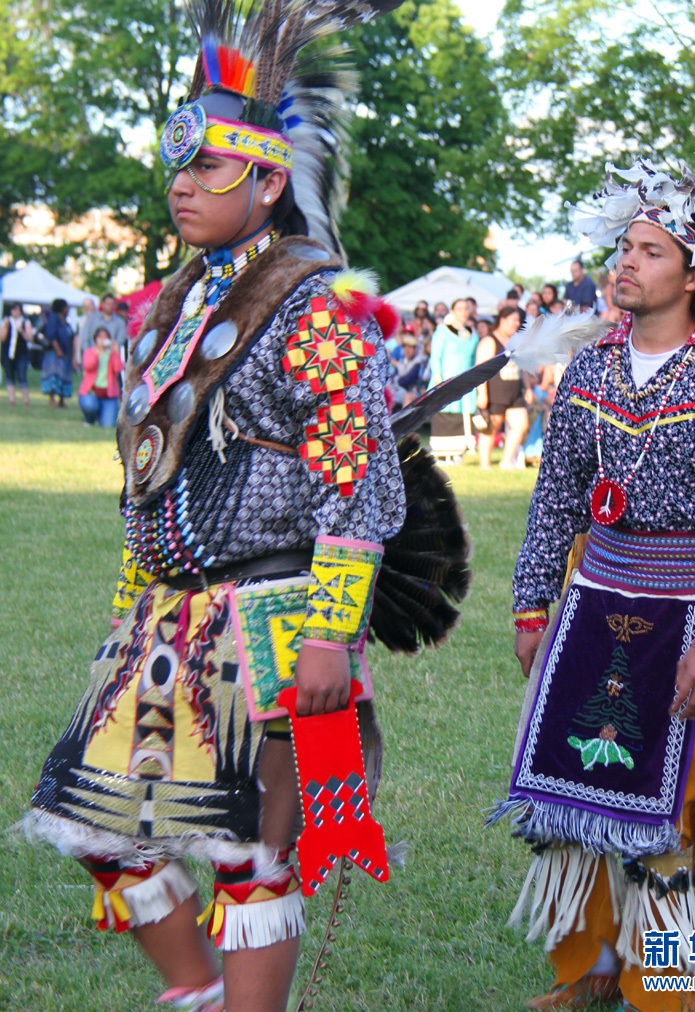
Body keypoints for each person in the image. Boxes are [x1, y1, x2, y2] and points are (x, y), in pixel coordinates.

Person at [27, 2, 410, 1011]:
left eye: (208, 169)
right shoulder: (181, 300)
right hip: (165, 617)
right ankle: (197, 990)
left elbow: (361, 473)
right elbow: (151, 465)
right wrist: (131, 592)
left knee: (250, 856)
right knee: (93, 825)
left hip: (275, 616)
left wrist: (330, 634)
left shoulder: (311, 303)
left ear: (268, 180)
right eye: (177, 168)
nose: (181, 186)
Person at [490, 58, 695, 1012]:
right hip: (592, 604)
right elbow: (555, 502)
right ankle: (587, 978)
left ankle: (675, 994)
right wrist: (533, 601)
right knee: (577, 806)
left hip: (686, 614)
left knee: (674, 823)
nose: (625, 262)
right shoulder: (587, 375)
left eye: (649, 250)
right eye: (624, 246)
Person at [475, 306, 529, 470]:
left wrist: (528, 389)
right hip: (495, 392)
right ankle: (485, 465)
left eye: (518, 320)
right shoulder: (489, 341)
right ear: (502, 319)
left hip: (514, 391)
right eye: (513, 320)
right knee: (490, 430)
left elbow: (524, 367)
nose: (516, 323)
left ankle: (506, 461)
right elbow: (480, 369)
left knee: (521, 425)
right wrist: (482, 394)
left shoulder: (517, 342)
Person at [428, 297, 479, 464]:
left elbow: (473, 359)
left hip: (465, 379)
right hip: (446, 377)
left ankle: (458, 451)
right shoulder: (443, 331)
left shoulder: (472, 333)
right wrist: (437, 375)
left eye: (466, 308)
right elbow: (436, 355)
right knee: (446, 411)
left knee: (462, 413)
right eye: (459, 308)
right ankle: (442, 453)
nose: (464, 312)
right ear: (452, 312)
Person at [78, 325, 125, 426]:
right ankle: (89, 418)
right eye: (100, 337)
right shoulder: (89, 352)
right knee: (89, 405)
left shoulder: (112, 354)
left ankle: (101, 415)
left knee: (108, 425)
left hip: (108, 395)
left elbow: (118, 369)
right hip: (91, 392)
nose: (103, 340)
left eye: (105, 337)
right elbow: (88, 365)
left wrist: (116, 353)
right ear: (96, 339)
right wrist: (97, 353)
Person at [40, 298, 75, 408]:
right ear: (62, 308)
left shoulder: (66, 321)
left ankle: (61, 400)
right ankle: (52, 399)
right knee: (54, 376)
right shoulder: (53, 318)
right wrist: (58, 350)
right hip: (55, 354)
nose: (68, 309)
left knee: (64, 376)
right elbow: (51, 335)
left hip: (66, 354)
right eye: (66, 307)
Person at [0, 302, 33, 406]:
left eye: (17, 310)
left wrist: (22, 331)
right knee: (9, 376)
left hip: (21, 354)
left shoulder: (25, 322)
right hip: (8, 353)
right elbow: (2, 338)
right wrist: (5, 326)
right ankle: (12, 399)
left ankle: (26, 400)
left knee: (22, 376)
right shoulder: (6, 322)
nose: (15, 312)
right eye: (13, 310)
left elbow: (30, 338)